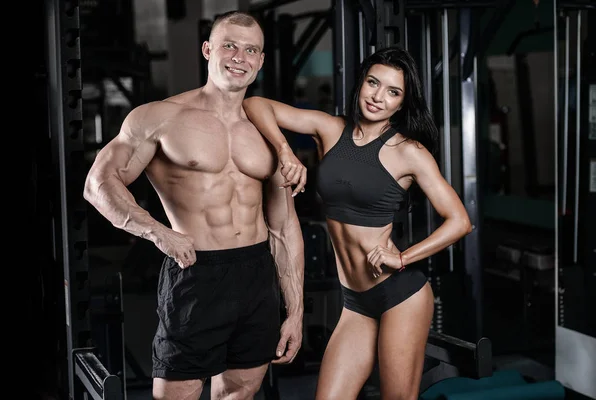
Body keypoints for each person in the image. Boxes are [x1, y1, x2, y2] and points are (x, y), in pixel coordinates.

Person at [83, 11, 305, 400]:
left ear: (261, 60)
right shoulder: (161, 117)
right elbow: (98, 183)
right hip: (197, 275)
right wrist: (157, 232)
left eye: (250, 50)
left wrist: (296, 311)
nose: (240, 57)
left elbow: (284, 229)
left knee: (240, 393)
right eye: (229, 46)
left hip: (257, 276)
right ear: (208, 50)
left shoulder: (266, 133)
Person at [243, 46, 472, 400]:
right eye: (373, 83)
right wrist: (284, 150)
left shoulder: (408, 152)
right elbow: (255, 105)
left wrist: (403, 258)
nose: (378, 97)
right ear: (361, 83)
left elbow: (459, 221)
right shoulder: (331, 129)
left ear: (402, 103)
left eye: (393, 92)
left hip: (400, 296)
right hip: (355, 303)